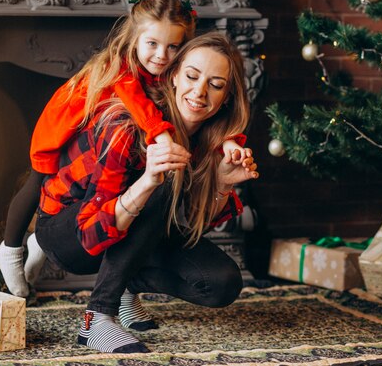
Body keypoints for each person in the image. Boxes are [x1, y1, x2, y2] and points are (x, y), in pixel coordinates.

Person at [0, 0, 247, 298]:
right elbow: (142, 111)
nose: (161, 55)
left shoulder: (168, 78)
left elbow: (208, 115)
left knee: (150, 192)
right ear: (135, 38)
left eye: (173, 47)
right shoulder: (122, 72)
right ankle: (11, 249)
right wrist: (163, 137)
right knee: (38, 182)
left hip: (109, 178)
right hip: (58, 130)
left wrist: (228, 144)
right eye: (152, 44)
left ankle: (122, 288)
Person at [34, 32, 259, 354]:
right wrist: (148, 181)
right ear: (174, 77)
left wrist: (223, 184)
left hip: (130, 234)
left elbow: (189, 228)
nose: (200, 91)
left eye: (216, 84)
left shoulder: (213, 140)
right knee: (163, 180)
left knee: (220, 283)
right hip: (68, 232)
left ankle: (125, 285)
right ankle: (97, 318)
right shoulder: (124, 125)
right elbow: (89, 232)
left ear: (228, 96)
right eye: (193, 76)